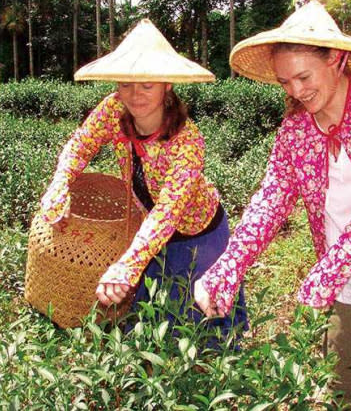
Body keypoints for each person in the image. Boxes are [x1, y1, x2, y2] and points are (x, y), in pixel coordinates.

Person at [193, 0, 351, 408]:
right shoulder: (296, 130)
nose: (296, 91)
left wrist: (330, 268)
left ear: (336, 59)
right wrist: (227, 268)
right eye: (286, 82)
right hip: (346, 291)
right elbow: (270, 200)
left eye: (303, 77)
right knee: (345, 393)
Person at [38, 18, 247, 339]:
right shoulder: (113, 110)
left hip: (198, 236)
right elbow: (80, 146)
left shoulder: (187, 142)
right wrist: (60, 182)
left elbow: (167, 214)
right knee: (152, 323)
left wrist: (126, 266)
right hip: (148, 234)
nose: (135, 95)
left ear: (167, 85)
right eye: (126, 84)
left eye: (147, 85)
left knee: (203, 326)